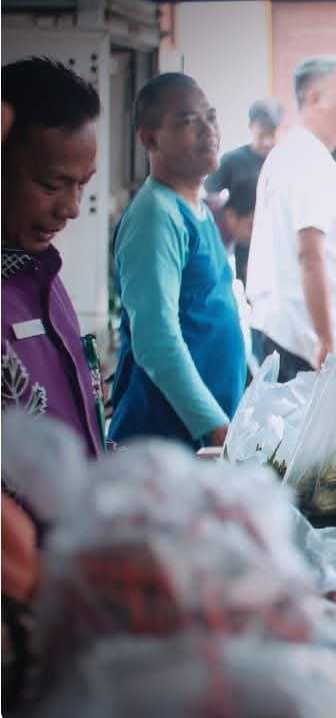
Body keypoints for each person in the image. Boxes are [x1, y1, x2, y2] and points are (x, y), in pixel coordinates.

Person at [1, 55, 103, 712]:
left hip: (72, 589)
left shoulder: (41, 276)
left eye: (83, 188)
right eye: (50, 184)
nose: (69, 208)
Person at [109, 73, 246, 449]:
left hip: (199, 440)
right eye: (188, 121)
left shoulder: (195, 208)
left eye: (211, 117)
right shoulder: (156, 214)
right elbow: (156, 340)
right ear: (148, 138)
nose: (208, 130)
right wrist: (215, 426)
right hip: (162, 442)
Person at [246, 55, 336, 381]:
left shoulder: (298, 153)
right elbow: (311, 254)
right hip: (297, 343)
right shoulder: (308, 159)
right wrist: (326, 338)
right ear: (314, 98)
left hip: (287, 336)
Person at [204, 97, 283, 201]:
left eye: (272, 135)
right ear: (251, 127)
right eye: (262, 135)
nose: (267, 142)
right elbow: (211, 198)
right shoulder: (231, 161)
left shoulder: (284, 163)